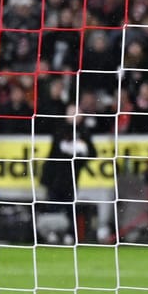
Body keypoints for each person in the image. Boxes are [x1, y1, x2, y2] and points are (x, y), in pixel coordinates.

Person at [39, 102, 98, 246]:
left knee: (70, 207)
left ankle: (69, 234)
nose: (74, 116)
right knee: (53, 206)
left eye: (76, 113)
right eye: (71, 112)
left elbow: (92, 153)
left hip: (71, 178)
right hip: (55, 177)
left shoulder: (84, 132)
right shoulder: (59, 129)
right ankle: (52, 232)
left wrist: (81, 152)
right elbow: (56, 153)